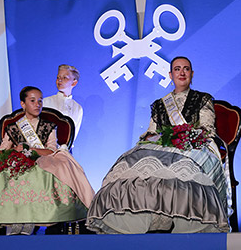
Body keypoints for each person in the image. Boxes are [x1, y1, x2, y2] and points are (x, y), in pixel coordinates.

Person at [86, 56, 231, 234]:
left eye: (186, 69)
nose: (182, 72)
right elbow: (152, 131)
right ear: (170, 74)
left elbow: (207, 129)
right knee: (135, 160)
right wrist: (156, 137)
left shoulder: (203, 99)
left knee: (186, 166)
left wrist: (184, 136)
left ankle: (187, 219)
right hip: (164, 145)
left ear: (192, 74)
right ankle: (153, 217)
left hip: (194, 143)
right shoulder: (159, 104)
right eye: (177, 69)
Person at [0, 86, 94, 235]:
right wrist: (15, 151)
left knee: (38, 173)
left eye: (40, 101)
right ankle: (15, 220)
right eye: (33, 101)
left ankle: (30, 221)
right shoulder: (13, 127)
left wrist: (30, 150)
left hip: (43, 160)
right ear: (23, 104)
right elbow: (3, 150)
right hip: (16, 161)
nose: (38, 104)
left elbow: (51, 150)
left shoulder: (49, 126)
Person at [43, 64, 83, 141]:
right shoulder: (46, 102)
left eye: (65, 78)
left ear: (74, 82)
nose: (60, 80)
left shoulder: (77, 108)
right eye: (58, 77)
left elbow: (73, 135)